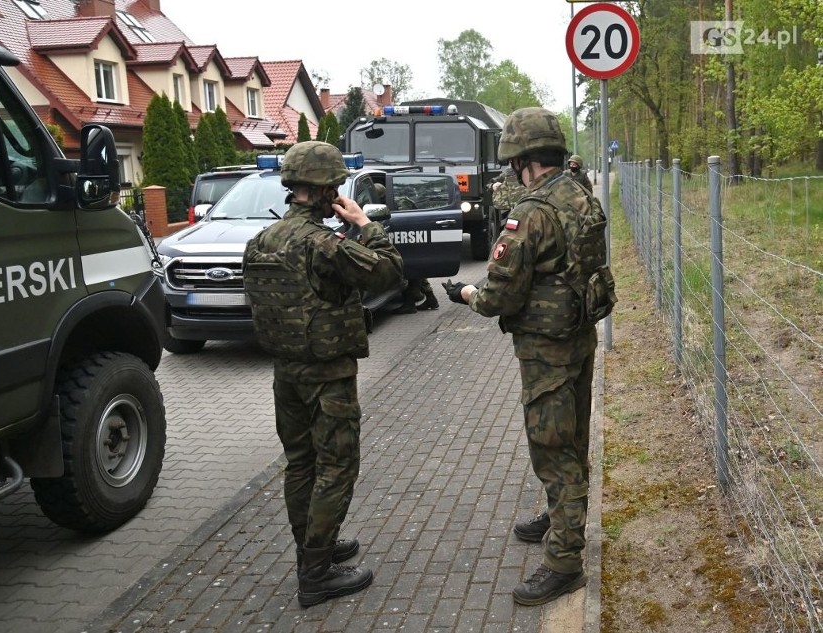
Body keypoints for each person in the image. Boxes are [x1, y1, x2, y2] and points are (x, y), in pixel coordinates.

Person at [441, 107, 616, 606]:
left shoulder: (531, 212)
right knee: (572, 439)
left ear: (523, 161)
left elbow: (498, 296)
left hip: (546, 352)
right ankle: (561, 518)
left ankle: (564, 562)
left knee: (552, 449)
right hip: (579, 338)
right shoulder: (581, 195)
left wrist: (466, 295)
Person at [242, 141, 404, 607]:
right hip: (327, 373)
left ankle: (315, 546)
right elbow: (389, 271)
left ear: (292, 188)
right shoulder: (324, 244)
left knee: (301, 462)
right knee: (337, 465)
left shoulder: (263, 240)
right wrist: (364, 224)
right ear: (328, 189)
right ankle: (315, 574)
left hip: (285, 370)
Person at [372, 182, 439, 314]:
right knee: (415, 269)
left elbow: (401, 222)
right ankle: (430, 298)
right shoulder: (393, 202)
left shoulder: (400, 204)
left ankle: (410, 303)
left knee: (410, 269)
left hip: (411, 238)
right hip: (412, 238)